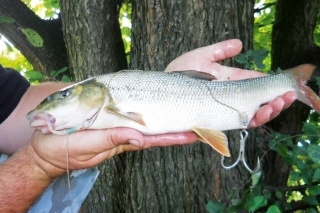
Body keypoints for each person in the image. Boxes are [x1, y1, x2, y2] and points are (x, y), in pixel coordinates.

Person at [0, 39, 296, 212]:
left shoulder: (97, 100)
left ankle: (291, 82)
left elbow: (13, 105)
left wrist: (168, 82)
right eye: (64, 95)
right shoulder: (97, 100)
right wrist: (39, 162)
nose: (55, 105)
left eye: (64, 96)